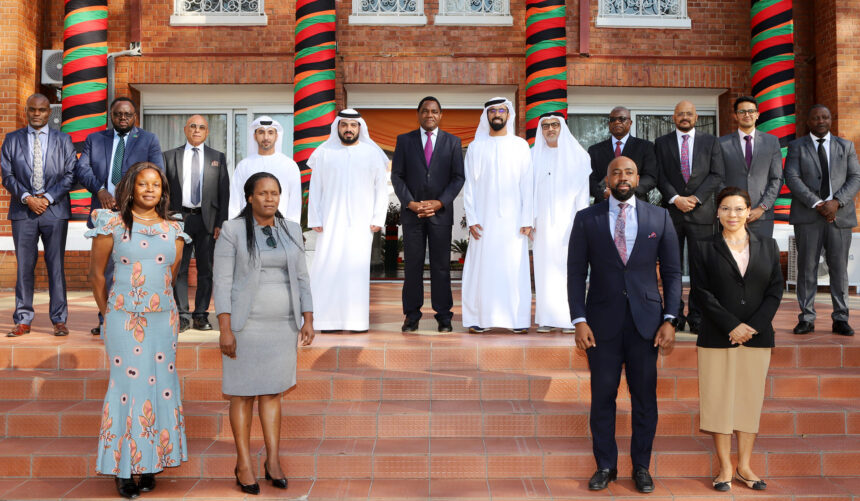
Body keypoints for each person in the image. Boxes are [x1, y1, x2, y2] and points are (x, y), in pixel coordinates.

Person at [568, 156, 681, 494]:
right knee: (603, 396)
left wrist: (670, 319)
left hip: (646, 326)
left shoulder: (659, 217)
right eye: (616, 172)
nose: (622, 177)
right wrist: (579, 319)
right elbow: (576, 273)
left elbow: (673, 273)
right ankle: (605, 465)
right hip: (600, 325)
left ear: (638, 178)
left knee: (644, 398)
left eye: (629, 172)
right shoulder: (586, 219)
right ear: (607, 179)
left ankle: (641, 467)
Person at [86, 162, 188, 499]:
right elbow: (97, 276)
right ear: (130, 187)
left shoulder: (174, 230)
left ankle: (148, 462)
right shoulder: (110, 224)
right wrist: (108, 313)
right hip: (123, 319)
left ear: (163, 191)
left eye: (155, 185)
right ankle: (123, 468)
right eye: (142, 184)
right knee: (127, 388)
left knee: (160, 387)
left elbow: (170, 276)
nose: (149, 190)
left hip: (162, 319)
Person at [214, 172, 314, 494]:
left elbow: (302, 278)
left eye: (275, 193)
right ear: (249, 198)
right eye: (263, 193)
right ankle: (243, 463)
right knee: (242, 395)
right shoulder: (232, 231)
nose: (270, 199)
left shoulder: (291, 229)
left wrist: (307, 318)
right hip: (245, 328)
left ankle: (272, 461)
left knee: (272, 393)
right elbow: (222, 282)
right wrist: (225, 329)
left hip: (281, 327)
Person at [691, 187, 783, 492]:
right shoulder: (703, 247)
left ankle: (744, 465)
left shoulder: (768, 245)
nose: (733, 215)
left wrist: (752, 327)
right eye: (726, 209)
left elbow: (775, 290)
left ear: (749, 211)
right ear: (717, 212)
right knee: (718, 399)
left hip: (757, 337)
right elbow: (702, 293)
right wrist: (732, 325)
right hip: (718, 335)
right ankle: (725, 467)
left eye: (739, 209)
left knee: (748, 400)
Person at [75, 96, 165, 335]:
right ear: (111, 116)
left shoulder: (148, 139)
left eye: (127, 114)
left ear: (135, 117)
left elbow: (157, 170)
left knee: (133, 269)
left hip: (135, 214)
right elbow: (82, 169)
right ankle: (106, 320)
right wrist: (100, 190)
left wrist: (128, 197)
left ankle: (135, 318)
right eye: (118, 114)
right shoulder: (95, 139)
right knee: (104, 270)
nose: (123, 118)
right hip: (104, 213)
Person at [1, 93, 76, 337]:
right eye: (32, 109)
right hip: (23, 212)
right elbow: (7, 175)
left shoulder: (63, 140)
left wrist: (47, 199)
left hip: (54, 211)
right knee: (24, 266)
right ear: (26, 110)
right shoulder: (11, 140)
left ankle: (59, 319)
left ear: (49, 113)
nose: (36, 114)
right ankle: (23, 319)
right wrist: (28, 198)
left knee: (56, 266)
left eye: (42, 110)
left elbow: (69, 175)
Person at [307, 109, 388, 332]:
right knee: (328, 268)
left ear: (360, 128)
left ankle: (356, 322)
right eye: (344, 125)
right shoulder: (324, 153)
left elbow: (381, 189)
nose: (348, 129)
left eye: (353, 125)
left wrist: (378, 217)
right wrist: (315, 217)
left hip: (361, 224)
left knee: (356, 270)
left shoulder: (372, 154)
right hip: (330, 223)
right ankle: (326, 321)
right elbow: (315, 189)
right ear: (337, 127)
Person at [784, 104, 860, 336]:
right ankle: (806, 318)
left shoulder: (845, 146)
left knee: (839, 269)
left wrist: (836, 202)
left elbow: (855, 176)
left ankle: (841, 318)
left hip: (839, 216)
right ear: (809, 121)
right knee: (806, 268)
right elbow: (792, 177)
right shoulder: (796, 146)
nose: (821, 121)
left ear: (830, 120)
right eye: (816, 117)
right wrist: (817, 203)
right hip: (808, 217)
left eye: (825, 117)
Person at [391, 96, 465, 333]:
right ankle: (411, 316)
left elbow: (458, 178)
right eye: (425, 111)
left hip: (440, 215)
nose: (429, 115)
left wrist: (440, 202)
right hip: (413, 214)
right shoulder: (404, 141)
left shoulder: (453, 142)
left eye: (434, 111)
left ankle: (444, 316)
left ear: (440, 115)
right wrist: (410, 203)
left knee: (441, 266)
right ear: (418, 114)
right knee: (412, 266)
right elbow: (397, 176)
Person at [461, 97, 534, 334]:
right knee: (481, 270)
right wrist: (471, 218)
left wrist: (527, 218)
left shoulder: (520, 145)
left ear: (508, 114)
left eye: (501, 110)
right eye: (492, 111)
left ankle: (516, 320)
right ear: (486, 116)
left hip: (513, 223)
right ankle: (479, 319)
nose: (497, 115)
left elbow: (528, 184)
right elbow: (469, 186)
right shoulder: (475, 146)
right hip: (483, 221)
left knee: (513, 268)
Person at [655, 100, 725, 333]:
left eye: (689, 114)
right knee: (671, 268)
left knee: (700, 269)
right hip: (671, 215)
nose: (684, 117)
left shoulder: (711, 141)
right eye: (680, 114)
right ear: (673, 117)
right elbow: (660, 175)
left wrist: (695, 199)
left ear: (696, 117)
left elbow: (717, 174)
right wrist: (676, 199)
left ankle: (697, 316)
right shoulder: (661, 143)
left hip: (702, 214)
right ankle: (673, 314)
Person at [164, 115, 229, 332]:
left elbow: (224, 193)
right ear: (185, 130)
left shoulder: (217, 157)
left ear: (207, 132)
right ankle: (182, 315)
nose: (197, 130)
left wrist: (221, 222)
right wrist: (165, 217)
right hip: (179, 219)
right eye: (193, 126)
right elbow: (163, 191)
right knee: (179, 269)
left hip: (207, 220)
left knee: (206, 269)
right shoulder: (169, 156)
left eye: (202, 127)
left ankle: (201, 314)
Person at [532, 111, 590, 333]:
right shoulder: (533, 156)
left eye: (555, 125)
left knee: (569, 270)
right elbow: (527, 193)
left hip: (570, 223)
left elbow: (582, 196)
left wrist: (582, 225)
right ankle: (546, 318)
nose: (550, 129)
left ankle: (570, 318)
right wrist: (529, 220)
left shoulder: (579, 157)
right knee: (545, 270)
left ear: (562, 127)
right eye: (545, 126)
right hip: (543, 225)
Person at [718, 96, 783, 239]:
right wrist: (731, 209)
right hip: (732, 217)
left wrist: (762, 208)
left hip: (762, 216)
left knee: (761, 258)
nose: (747, 115)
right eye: (742, 111)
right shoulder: (722, 143)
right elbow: (719, 179)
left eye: (751, 111)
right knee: (733, 258)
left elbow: (776, 178)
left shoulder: (771, 142)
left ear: (757, 114)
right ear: (735, 116)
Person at [228, 116, 301, 223]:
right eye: (261, 132)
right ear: (255, 136)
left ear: (276, 136)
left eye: (270, 133)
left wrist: (292, 231)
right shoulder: (244, 166)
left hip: (281, 227)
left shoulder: (289, 165)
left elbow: (294, 203)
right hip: (248, 227)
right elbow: (235, 201)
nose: (266, 137)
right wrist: (234, 228)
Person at [587, 106, 658, 203]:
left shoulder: (645, 147)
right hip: (604, 205)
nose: (617, 122)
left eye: (622, 119)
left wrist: (628, 192)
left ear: (630, 123)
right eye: (613, 119)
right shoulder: (595, 150)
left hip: (636, 202)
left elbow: (650, 177)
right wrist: (603, 192)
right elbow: (590, 179)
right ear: (609, 124)